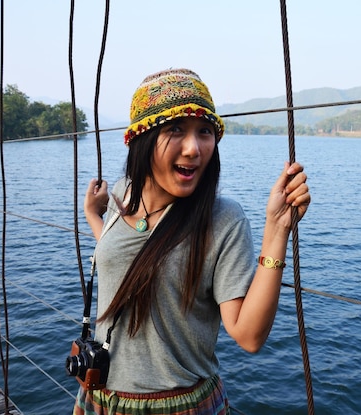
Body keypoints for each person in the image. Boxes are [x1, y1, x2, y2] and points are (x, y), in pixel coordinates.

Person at [74, 68, 311, 415]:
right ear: (141, 139)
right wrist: (93, 216)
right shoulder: (124, 192)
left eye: (204, 132)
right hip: (101, 398)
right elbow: (126, 260)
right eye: (175, 130)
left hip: (179, 405)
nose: (194, 148)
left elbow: (248, 335)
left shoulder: (222, 219)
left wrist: (276, 229)